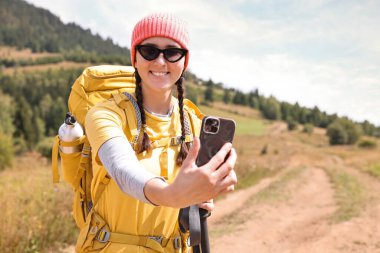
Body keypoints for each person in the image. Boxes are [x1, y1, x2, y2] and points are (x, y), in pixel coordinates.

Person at [81, 13, 237, 253]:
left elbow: (195, 191)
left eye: (172, 53)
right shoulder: (105, 114)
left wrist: (203, 191)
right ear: (135, 58)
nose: (161, 62)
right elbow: (122, 169)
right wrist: (172, 195)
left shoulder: (193, 123)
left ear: (184, 61)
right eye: (149, 51)